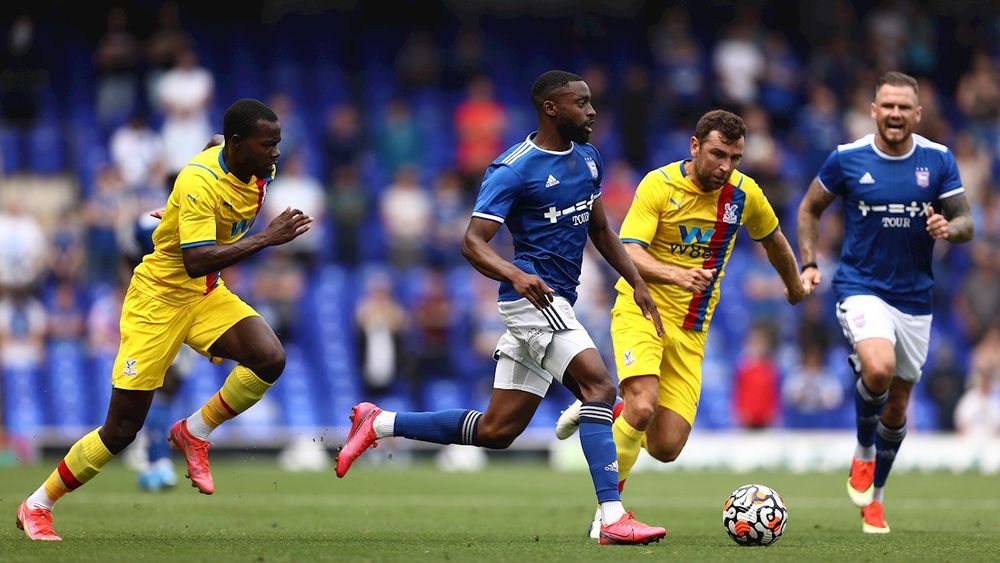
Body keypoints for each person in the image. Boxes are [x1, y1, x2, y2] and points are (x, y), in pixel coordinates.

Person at [335, 70, 668, 545]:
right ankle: (612, 517)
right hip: (533, 300)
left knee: (497, 430)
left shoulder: (590, 159)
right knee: (599, 386)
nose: (592, 112)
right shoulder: (513, 168)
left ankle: (379, 422)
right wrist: (515, 273)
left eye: (591, 103)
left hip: (557, 301)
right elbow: (472, 242)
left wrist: (636, 281)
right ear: (551, 108)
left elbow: (601, 232)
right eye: (582, 103)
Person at [16, 99, 313, 541]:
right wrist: (266, 238)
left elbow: (211, 144)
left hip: (206, 296)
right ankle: (37, 505)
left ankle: (195, 432)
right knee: (121, 430)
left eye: (278, 143)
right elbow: (195, 260)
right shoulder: (200, 181)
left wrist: (173, 209)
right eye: (267, 144)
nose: (275, 153)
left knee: (269, 358)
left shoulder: (249, 164)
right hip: (157, 302)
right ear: (239, 143)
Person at [556, 109, 808, 538]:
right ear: (694, 147)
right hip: (642, 311)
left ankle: (603, 408)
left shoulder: (744, 194)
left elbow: (775, 240)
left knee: (667, 445)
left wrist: (795, 286)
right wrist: (675, 275)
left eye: (735, 158)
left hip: (692, 328)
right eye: (717, 154)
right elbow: (627, 250)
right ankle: (609, 517)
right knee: (642, 405)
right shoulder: (658, 184)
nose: (725, 166)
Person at [796, 71, 975, 534]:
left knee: (897, 407)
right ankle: (862, 450)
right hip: (860, 285)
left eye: (904, 107)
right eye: (887, 106)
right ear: (873, 110)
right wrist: (810, 261)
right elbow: (810, 207)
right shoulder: (848, 158)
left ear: (918, 114)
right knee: (877, 367)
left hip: (915, 296)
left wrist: (947, 230)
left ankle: (875, 498)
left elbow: (966, 223)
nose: (895, 114)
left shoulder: (938, 160)